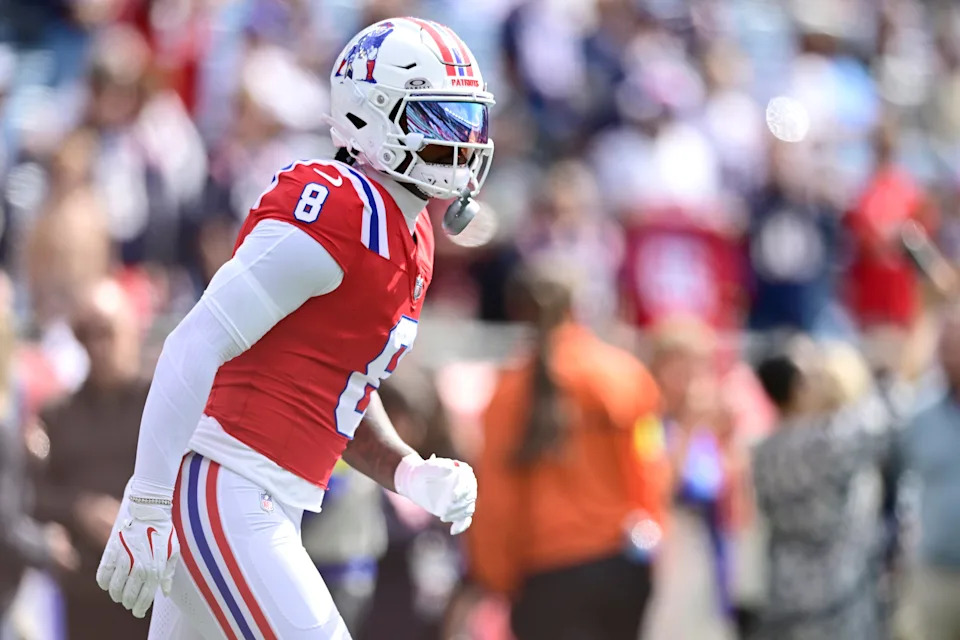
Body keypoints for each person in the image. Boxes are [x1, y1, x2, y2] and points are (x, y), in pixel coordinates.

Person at [94, 18, 494, 639]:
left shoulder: (408, 233)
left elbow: (341, 385)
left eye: (465, 122)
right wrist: (146, 497)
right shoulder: (338, 206)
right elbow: (195, 341)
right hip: (229, 487)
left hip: (265, 499)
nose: (462, 143)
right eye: (439, 121)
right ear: (372, 117)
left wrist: (408, 470)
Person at [468, 263, 666, 640]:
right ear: (579, 307)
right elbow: (649, 467)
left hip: (543, 575)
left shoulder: (507, 393)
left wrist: (496, 576)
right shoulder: (625, 374)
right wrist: (655, 546)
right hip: (622, 566)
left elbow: (494, 496)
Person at [35, 279, 151, 639]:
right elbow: (29, 494)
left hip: (150, 587)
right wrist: (80, 509)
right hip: (85, 588)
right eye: (86, 335)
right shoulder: (58, 415)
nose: (98, 347)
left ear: (133, 331)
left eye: (107, 333)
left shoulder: (161, 408)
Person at [751, 339, 886, 640]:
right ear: (798, 389)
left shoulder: (762, 451)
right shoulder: (828, 441)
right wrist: (847, 374)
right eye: (811, 377)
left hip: (785, 593)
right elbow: (881, 418)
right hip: (838, 596)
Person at [892, 308, 960, 640]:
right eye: (944, 346)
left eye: (956, 346)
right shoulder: (920, 416)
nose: (948, 355)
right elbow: (896, 482)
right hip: (936, 572)